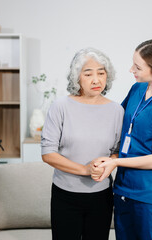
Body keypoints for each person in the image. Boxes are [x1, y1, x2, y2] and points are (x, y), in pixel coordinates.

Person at [91, 39, 152, 240]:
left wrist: (116, 162)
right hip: (123, 190)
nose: (131, 70)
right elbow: (117, 123)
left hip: (150, 197)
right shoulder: (137, 89)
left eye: (137, 67)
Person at [41, 48, 124, 240]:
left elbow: (119, 152)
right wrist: (85, 170)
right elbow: (48, 153)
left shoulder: (116, 110)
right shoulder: (60, 107)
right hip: (65, 196)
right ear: (76, 77)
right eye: (88, 73)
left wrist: (107, 163)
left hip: (102, 196)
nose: (96, 80)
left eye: (101, 73)